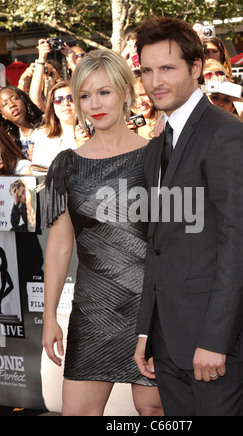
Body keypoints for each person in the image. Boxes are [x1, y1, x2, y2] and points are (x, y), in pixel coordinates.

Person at [133, 16, 243, 417]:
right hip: (166, 341)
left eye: (168, 68)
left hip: (214, 346)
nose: (156, 80)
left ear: (195, 68)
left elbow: (237, 246)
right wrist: (145, 331)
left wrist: (214, 340)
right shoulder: (155, 148)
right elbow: (157, 247)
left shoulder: (226, 134)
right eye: (147, 70)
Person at [42, 48, 163, 417]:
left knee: (153, 408)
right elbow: (60, 247)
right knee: (76, 411)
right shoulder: (66, 165)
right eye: (84, 95)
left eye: (104, 92)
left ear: (127, 91)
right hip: (93, 310)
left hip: (153, 308)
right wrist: (50, 318)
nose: (94, 103)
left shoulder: (157, 157)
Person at [32, 80, 88, 168]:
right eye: (58, 100)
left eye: (71, 98)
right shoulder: (42, 136)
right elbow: (36, 170)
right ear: (53, 108)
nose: (65, 103)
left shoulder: (90, 135)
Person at [0, 86, 43, 161]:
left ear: (24, 100)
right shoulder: (14, 143)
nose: (12, 105)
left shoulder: (47, 123)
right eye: (5, 104)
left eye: (15, 99)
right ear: (3, 115)